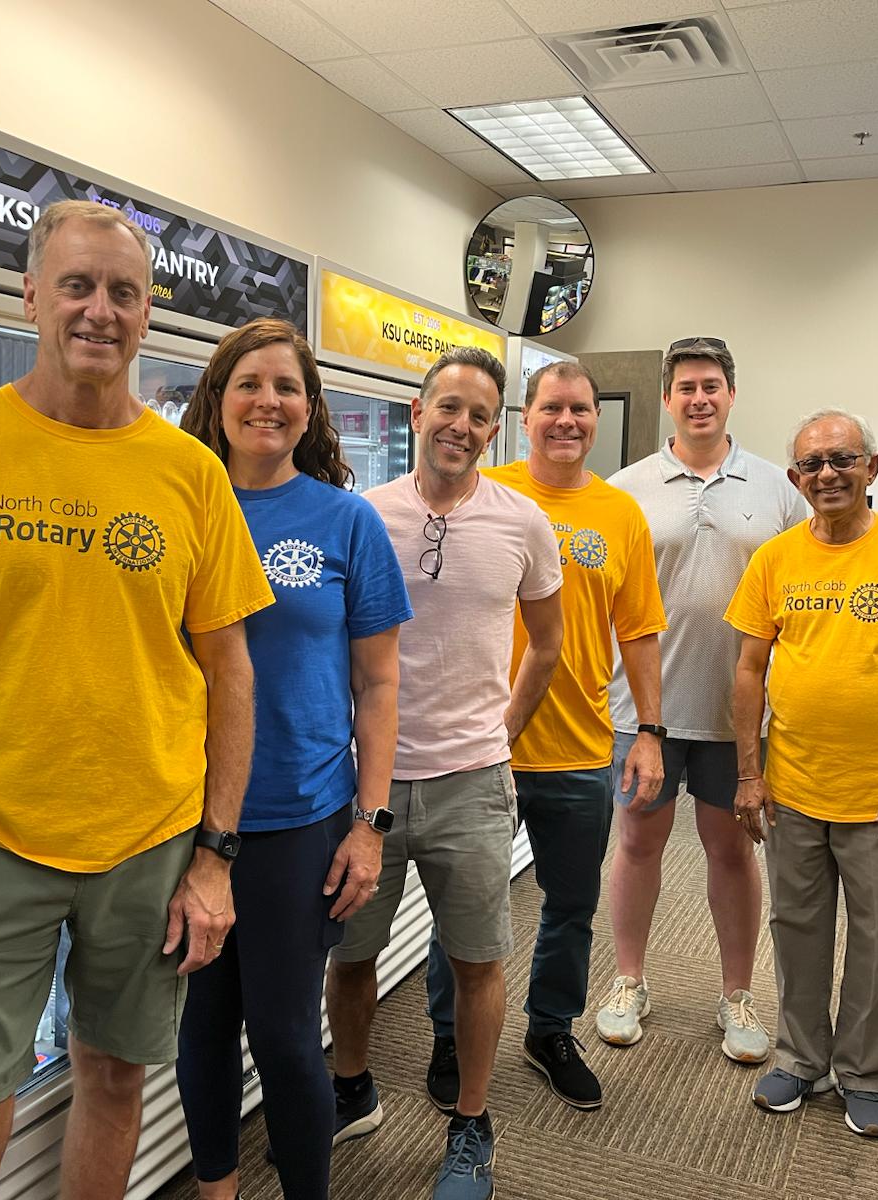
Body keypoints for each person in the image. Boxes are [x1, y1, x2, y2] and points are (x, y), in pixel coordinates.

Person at [0, 199, 275, 1200]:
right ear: (31, 295)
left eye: (123, 292)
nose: (100, 310)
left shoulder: (191, 476)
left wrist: (214, 860)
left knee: (115, 1080)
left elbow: (230, 674)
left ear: (147, 314)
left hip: (149, 840)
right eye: (77, 286)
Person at [176, 319, 412, 1200]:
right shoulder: (180, 501)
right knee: (202, 1026)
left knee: (282, 1038)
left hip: (300, 816)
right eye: (249, 383)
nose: (267, 402)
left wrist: (370, 825)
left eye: (287, 387)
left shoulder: (346, 520)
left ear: (311, 408)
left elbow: (379, 685)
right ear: (217, 398)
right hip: (180, 814)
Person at [326, 346, 564, 1200]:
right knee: (351, 956)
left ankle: (470, 1123)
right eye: (449, 408)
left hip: (472, 783)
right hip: (367, 787)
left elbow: (547, 645)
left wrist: (502, 732)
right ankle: (351, 1089)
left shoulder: (522, 522)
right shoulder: (365, 516)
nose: (461, 425)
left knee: (477, 961)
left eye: (479, 415)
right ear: (417, 414)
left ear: (494, 431)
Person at [725, 407, 878, 1139]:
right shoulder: (775, 559)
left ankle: (863, 1074)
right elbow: (748, 670)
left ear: (872, 467)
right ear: (795, 477)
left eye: (842, 459)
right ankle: (800, 1059)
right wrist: (749, 773)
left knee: (874, 939)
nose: (827, 474)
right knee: (796, 928)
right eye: (811, 464)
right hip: (794, 785)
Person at [423, 361, 666, 1112]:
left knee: (570, 904)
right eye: (553, 408)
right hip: (476, 749)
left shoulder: (621, 515)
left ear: (596, 419)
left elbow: (641, 631)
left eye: (581, 409)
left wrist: (650, 730)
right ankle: (449, 1036)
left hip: (581, 749)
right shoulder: (482, 494)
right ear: (523, 418)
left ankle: (550, 1030)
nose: (567, 421)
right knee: (464, 906)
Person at [595, 338, 806, 1062]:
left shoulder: (777, 489)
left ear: (731, 394)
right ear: (667, 399)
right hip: (642, 713)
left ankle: (737, 994)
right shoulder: (627, 487)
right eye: (686, 388)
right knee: (636, 844)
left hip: (737, 715)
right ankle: (629, 981)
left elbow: (801, 587)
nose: (699, 399)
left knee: (732, 851)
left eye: (711, 386)